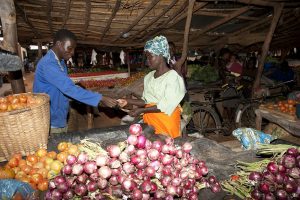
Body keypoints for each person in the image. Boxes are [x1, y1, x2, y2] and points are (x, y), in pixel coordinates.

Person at [33, 29, 117, 134]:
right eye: (69, 48)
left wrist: (76, 88)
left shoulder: (61, 62)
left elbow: (62, 86)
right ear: (59, 44)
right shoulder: (48, 64)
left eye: (73, 49)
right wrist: (100, 98)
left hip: (59, 115)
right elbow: (68, 89)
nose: (72, 53)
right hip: (50, 120)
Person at [117, 36, 186, 138]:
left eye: (150, 57)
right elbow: (147, 101)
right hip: (150, 123)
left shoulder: (173, 77)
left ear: (161, 55)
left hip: (166, 122)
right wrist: (127, 101)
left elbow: (165, 105)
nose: (147, 61)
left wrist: (141, 110)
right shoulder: (149, 77)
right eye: (147, 57)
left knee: (168, 148)